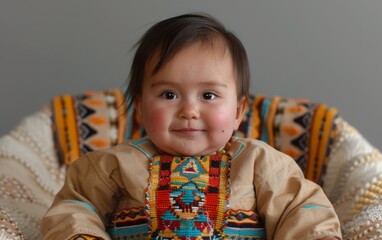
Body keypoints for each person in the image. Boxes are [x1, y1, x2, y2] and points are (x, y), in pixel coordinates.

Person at [41, 13, 342, 240]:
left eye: (208, 95)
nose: (189, 111)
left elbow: (302, 211)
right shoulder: (114, 165)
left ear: (238, 111)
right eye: (168, 94)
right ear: (141, 107)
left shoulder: (259, 164)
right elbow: (75, 206)